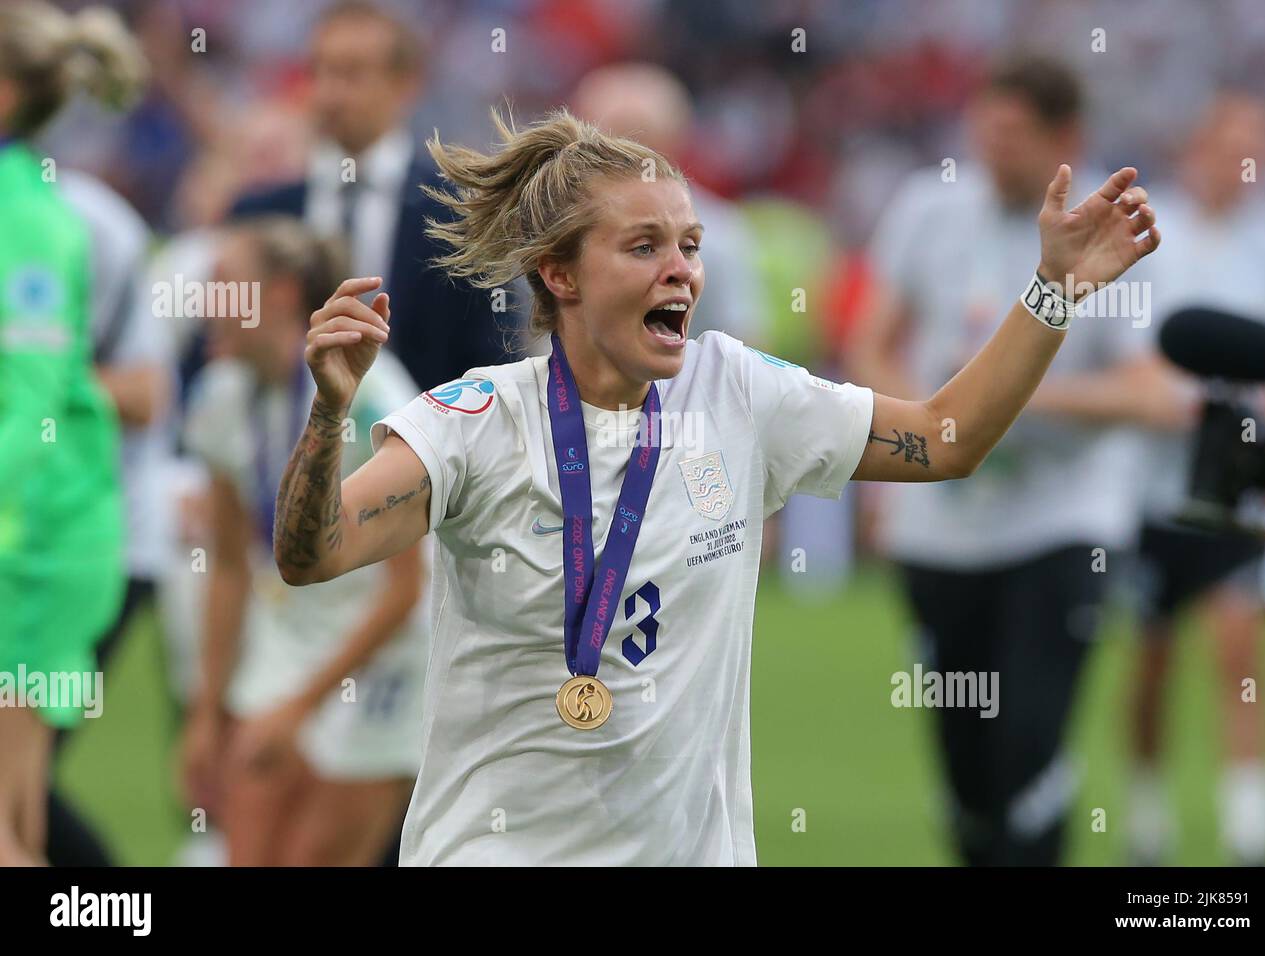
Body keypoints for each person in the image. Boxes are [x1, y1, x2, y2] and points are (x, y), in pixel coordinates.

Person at [271, 105, 1158, 865]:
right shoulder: (474, 420)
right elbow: (316, 552)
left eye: (689, 245)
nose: (683, 270)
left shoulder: (739, 391)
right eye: (645, 245)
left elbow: (943, 438)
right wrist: (328, 416)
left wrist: (1052, 291)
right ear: (560, 273)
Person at [851, 57, 1180, 865]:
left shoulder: (1114, 226)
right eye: (984, 130)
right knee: (966, 774)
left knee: (1026, 749)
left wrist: (1005, 402)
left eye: (1015, 136)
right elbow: (868, 342)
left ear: (1066, 139)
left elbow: (1156, 394)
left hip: (1060, 525)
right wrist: (930, 429)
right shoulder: (928, 208)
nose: (993, 151)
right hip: (941, 531)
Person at [179, 218, 429, 866]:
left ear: (284, 293)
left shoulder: (375, 396)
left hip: (383, 658)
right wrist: (208, 711)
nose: (208, 303)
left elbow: (408, 591)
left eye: (226, 286)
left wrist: (302, 706)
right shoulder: (220, 398)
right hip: (284, 643)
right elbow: (231, 567)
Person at [1126, 92, 1265, 866]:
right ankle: (1145, 818)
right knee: (1152, 661)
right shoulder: (1152, 238)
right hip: (1148, 487)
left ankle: (1251, 834)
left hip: (1239, 481)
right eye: (1234, 147)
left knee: (1239, 649)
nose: (1245, 166)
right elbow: (1138, 363)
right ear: (1201, 148)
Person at [0, 0, 143, 865]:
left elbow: (31, 406)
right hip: (39, 541)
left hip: (33, 552)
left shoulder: (31, 224)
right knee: (17, 824)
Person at [227, 0, 517, 393]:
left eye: (352, 73)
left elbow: (493, 365)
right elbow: (218, 352)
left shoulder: (461, 216)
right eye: (319, 71)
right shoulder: (258, 216)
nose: (330, 93)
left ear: (405, 84)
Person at [571, 62, 763, 342]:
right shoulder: (554, 226)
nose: (626, 150)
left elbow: (744, 344)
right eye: (612, 134)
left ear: (675, 139)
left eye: (639, 134)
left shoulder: (720, 234)